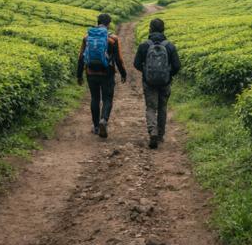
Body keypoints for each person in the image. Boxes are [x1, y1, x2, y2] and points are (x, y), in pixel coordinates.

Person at [133, 17, 181, 149]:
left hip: (149, 82)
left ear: (150, 29)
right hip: (165, 82)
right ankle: (160, 135)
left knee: (151, 107)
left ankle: (152, 130)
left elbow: (136, 63)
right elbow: (177, 65)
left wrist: (146, 72)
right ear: (163, 30)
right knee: (162, 108)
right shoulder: (169, 45)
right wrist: (168, 74)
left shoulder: (144, 45)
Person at [77, 13, 127, 138]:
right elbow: (119, 59)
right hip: (107, 73)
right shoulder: (113, 39)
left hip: (90, 72)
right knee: (107, 99)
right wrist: (123, 74)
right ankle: (103, 120)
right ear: (108, 24)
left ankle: (95, 127)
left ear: (97, 22)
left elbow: (81, 57)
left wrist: (79, 75)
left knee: (94, 98)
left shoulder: (87, 36)